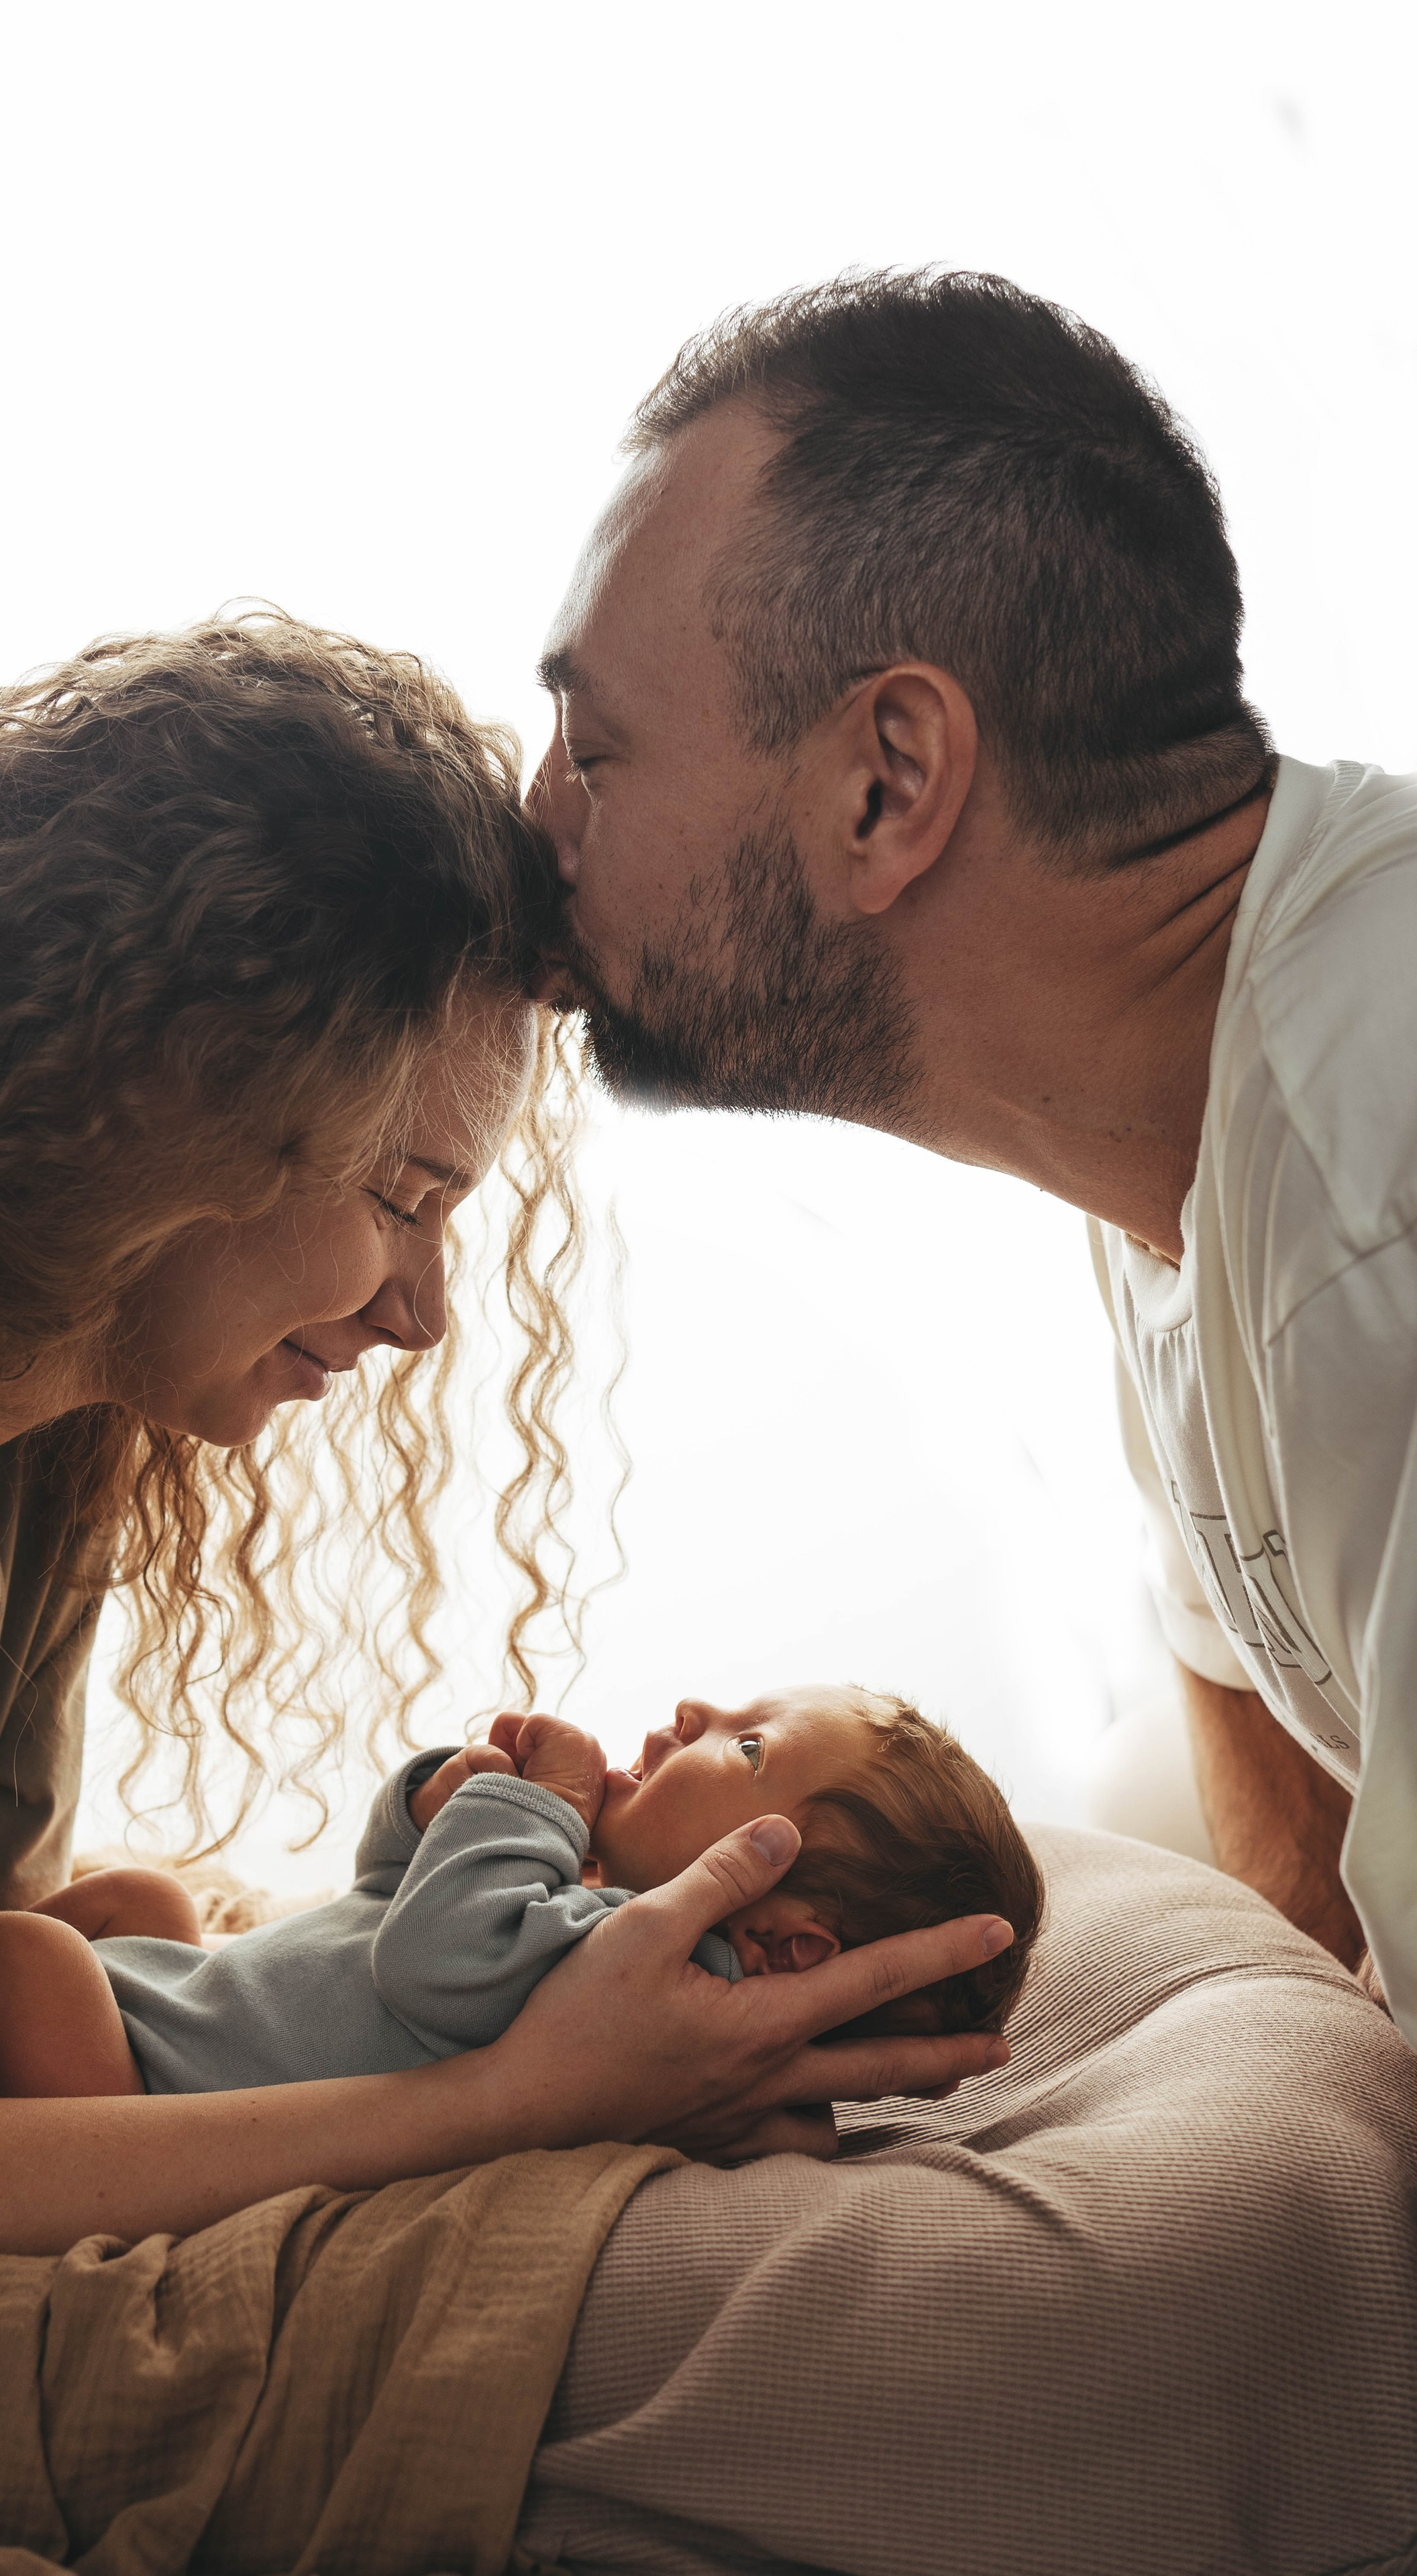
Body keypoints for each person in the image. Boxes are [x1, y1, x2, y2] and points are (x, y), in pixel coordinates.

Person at [0, 608, 1017, 2301]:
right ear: (159, 1111)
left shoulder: (30, 1439)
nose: (422, 1315)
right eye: (402, 1197)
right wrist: (522, 2101)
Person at [531, 268, 1417, 2045]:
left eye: (595, 748)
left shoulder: (1366, 1195)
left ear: (885, 782)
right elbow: (1258, 1716)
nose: (536, 813)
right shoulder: (1164, 1112)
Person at [0, 1688, 1043, 2098]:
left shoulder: (645, 1971)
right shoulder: (573, 1913)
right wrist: (434, 1808)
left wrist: (540, 1802)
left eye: (748, 1748)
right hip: (168, 2035)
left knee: (28, 1963)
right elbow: (381, 1910)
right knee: (147, 1903)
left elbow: (433, 1960)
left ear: (789, 1943)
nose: (695, 1711)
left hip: (142, 2108)